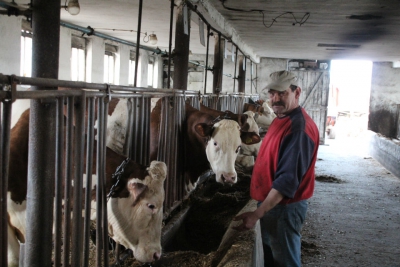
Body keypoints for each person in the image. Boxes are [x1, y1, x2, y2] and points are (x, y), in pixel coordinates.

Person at [232, 70, 320, 267]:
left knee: (285, 262)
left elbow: (287, 180)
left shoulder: (298, 129)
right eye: (272, 93)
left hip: (283, 208)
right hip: (273, 206)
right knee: (272, 257)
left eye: (282, 93)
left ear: (297, 92)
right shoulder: (281, 119)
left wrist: (257, 213)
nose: (275, 99)